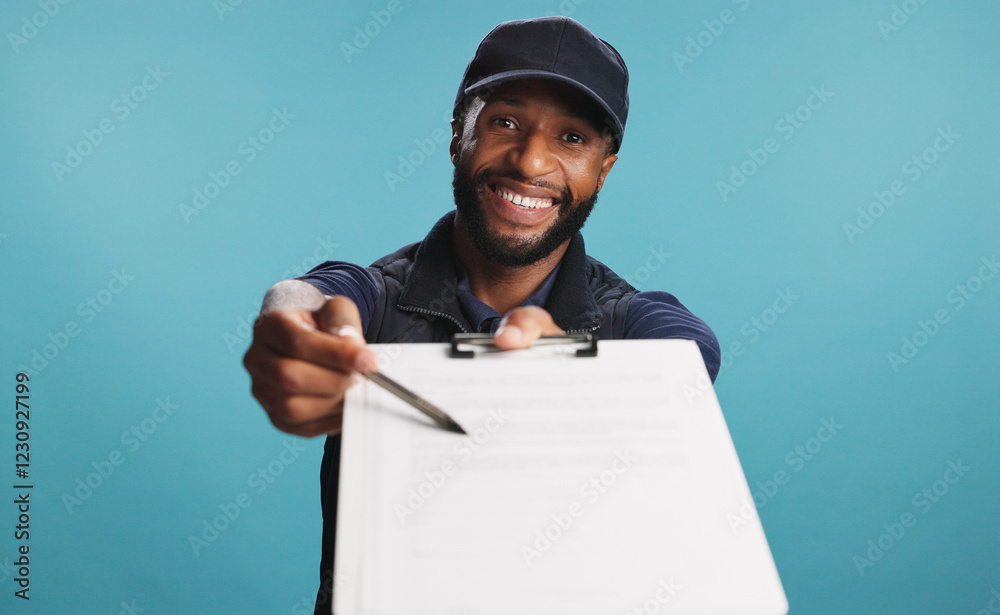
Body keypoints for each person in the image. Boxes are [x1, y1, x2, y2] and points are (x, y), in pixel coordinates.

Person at [242, 16, 721, 613]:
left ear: (604, 169)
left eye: (572, 138)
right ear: (457, 135)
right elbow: (313, 297)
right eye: (506, 122)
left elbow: (685, 354)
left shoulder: (627, 320)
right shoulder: (379, 300)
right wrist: (291, 325)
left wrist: (588, 377)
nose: (530, 161)